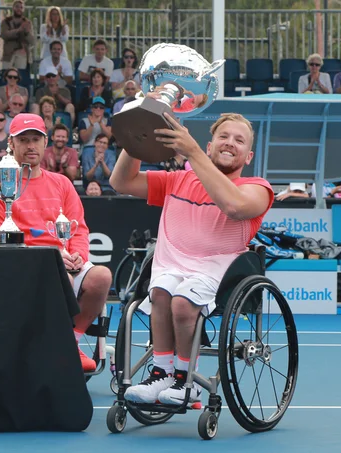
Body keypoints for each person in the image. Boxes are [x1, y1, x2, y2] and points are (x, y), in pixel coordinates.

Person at [110, 107, 274, 407]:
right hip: (170, 266)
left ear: (248, 157)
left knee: (183, 304)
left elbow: (234, 207)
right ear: (211, 146)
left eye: (239, 140)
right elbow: (121, 182)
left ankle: (187, 381)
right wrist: (137, 134)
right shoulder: (177, 181)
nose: (230, 143)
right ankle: (162, 374)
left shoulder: (257, 188)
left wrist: (193, 152)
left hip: (216, 274)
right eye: (223, 136)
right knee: (159, 292)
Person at [0, 113, 112, 372]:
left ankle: (70, 342)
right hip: (20, 264)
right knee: (63, 278)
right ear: (11, 144)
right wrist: (49, 257)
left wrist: (78, 254)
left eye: (35, 139)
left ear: (45, 142)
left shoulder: (61, 183)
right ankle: (49, 345)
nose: (30, 146)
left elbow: (78, 228)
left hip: (61, 262)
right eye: (23, 140)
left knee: (101, 277)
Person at [0, 0, 35, 71]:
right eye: (17, 7)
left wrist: (27, 32)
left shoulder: (27, 22)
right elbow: (4, 35)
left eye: (21, 7)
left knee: (21, 77)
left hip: (22, 53)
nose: (19, 9)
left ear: (23, 9)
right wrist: (19, 30)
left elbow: (32, 41)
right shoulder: (6, 21)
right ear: (13, 8)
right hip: (8, 53)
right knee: (6, 75)